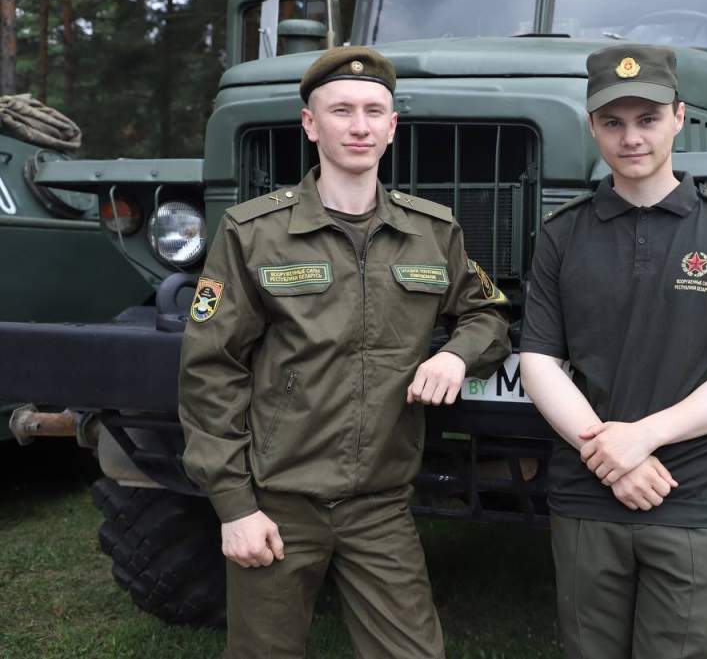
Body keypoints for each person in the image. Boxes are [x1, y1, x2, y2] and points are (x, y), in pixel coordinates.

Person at [178, 46, 511, 659]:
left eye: (373, 111)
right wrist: (234, 507)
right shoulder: (254, 233)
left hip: (380, 505)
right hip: (278, 502)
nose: (359, 126)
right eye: (341, 111)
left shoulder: (432, 231)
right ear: (311, 124)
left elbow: (488, 313)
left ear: (392, 126)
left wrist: (457, 355)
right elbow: (211, 371)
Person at [520, 44, 707, 659]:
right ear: (592, 126)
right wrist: (610, 456)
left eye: (648, 119)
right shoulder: (562, 233)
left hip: (692, 498)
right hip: (588, 498)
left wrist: (641, 439)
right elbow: (539, 362)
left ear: (679, 117)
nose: (631, 137)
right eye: (613, 122)